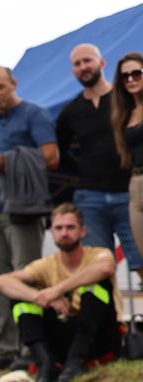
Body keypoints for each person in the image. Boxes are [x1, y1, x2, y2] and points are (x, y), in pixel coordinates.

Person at [0, 65, 60, 377]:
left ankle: (30, 347)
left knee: (24, 277)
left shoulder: (34, 114)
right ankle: (3, 349)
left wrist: (6, 161)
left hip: (22, 209)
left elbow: (51, 157)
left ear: (14, 84)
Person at [0, 202, 117, 382]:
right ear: (51, 231)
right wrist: (40, 297)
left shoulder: (98, 254)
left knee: (97, 287)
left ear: (83, 231)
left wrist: (57, 290)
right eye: (59, 228)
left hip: (99, 337)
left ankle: (76, 361)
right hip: (64, 337)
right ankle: (45, 364)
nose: (64, 233)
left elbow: (106, 268)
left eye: (70, 227)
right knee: (20, 299)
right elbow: (1, 281)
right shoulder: (47, 264)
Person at [57, 44, 136, 259]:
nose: (83, 67)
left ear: (102, 63)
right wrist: (82, 171)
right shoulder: (70, 112)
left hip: (129, 192)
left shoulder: (126, 100)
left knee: (140, 259)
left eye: (87, 60)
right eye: (77, 64)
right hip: (90, 198)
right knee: (98, 266)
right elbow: (60, 151)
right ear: (73, 70)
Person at [114, 52, 143, 293]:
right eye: (125, 76)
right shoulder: (124, 113)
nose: (131, 79)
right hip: (135, 185)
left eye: (136, 73)